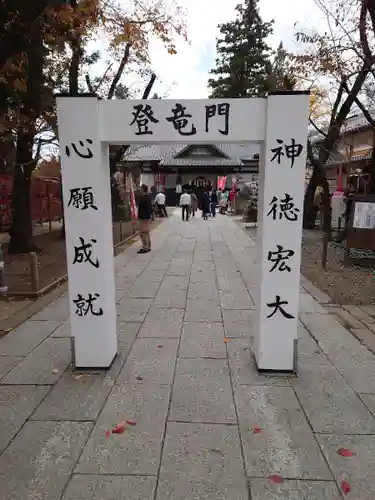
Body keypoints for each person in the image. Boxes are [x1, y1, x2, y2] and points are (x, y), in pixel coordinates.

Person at [137, 184, 153, 253]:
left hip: (143, 217)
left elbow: (141, 207)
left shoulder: (143, 198)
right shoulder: (148, 197)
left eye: (140, 189)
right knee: (146, 232)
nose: (139, 190)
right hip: (147, 216)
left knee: (143, 232)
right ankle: (148, 246)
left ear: (143, 189)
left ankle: (145, 247)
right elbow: (150, 207)